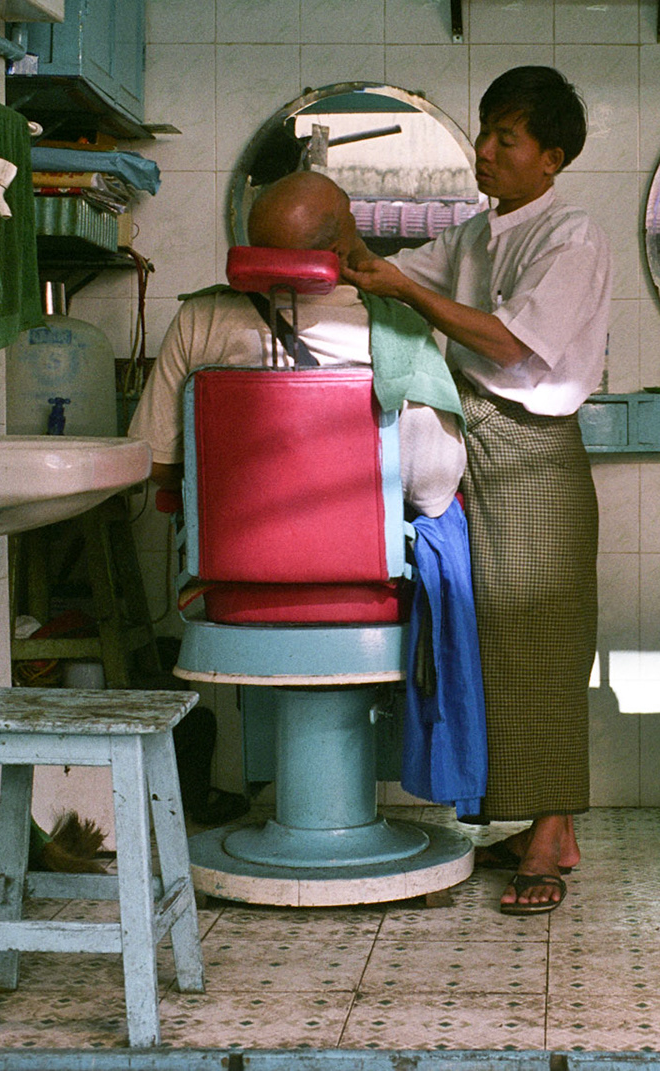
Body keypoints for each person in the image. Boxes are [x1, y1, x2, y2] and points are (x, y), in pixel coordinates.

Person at [341, 66, 609, 914]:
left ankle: (551, 829)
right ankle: (546, 827)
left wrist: (404, 288)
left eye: (507, 139)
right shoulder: (474, 234)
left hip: (532, 450)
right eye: (485, 132)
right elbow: (379, 271)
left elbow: (510, 344)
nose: (485, 152)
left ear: (551, 158)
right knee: (485, 642)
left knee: (544, 643)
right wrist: (330, 239)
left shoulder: (572, 235)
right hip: (475, 445)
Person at [128, 171, 464, 516]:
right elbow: (431, 488)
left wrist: (252, 482)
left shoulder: (201, 317)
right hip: (359, 554)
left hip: (231, 552)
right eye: (351, 215)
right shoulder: (397, 330)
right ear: (338, 250)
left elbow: (154, 461)